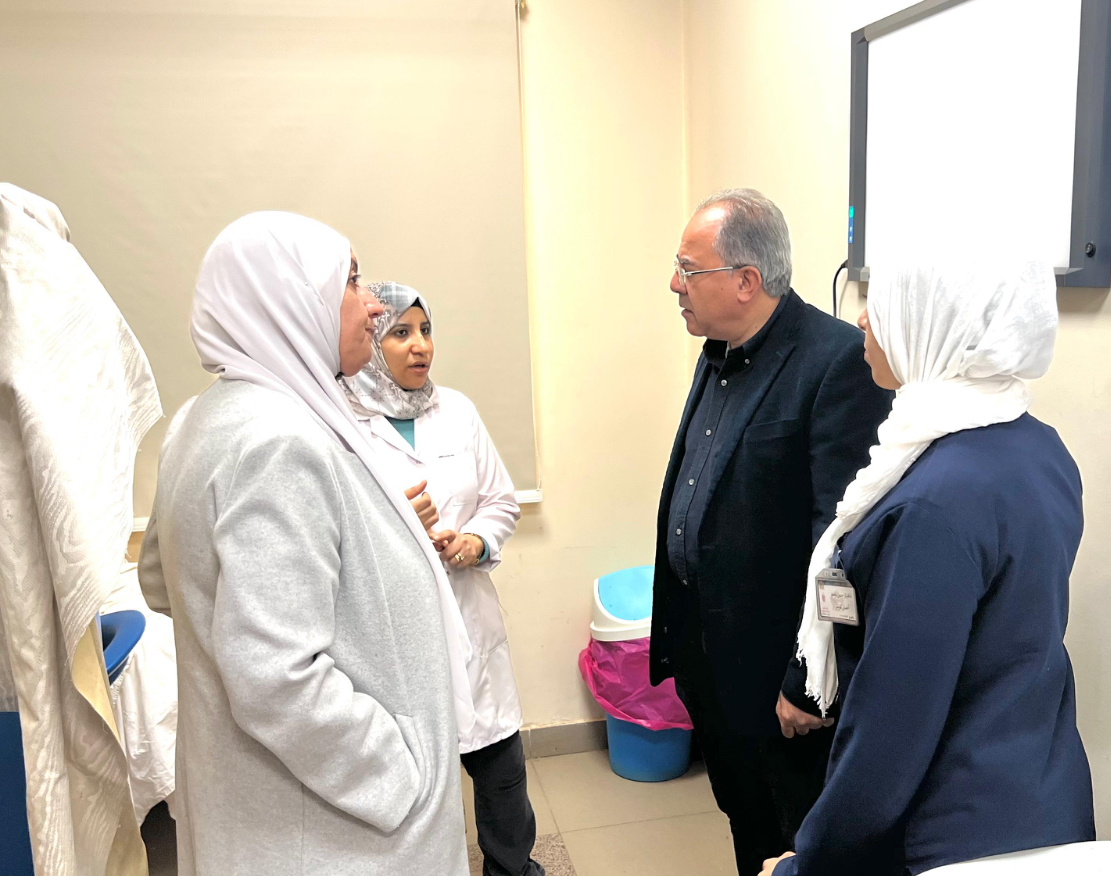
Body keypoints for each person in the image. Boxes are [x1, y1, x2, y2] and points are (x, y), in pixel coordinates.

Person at [138, 212, 473, 876]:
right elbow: (275, 676)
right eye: (350, 282)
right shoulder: (278, 441)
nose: (373, 304)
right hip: (331, 832)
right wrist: (393, 775)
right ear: (287, 300)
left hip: (271, 809)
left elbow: (160, 578)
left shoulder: (204, 419)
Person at [762, 262, 1095, 876]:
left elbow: (892, 729)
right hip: (1042, 794)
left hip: (948, 831)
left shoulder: (931, 504)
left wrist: (803, 867)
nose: (863, 318)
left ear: (945, 322)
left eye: (889, 301)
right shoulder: (1038, 447)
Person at [649, 188, 894, 875]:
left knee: (793, 838)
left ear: (745, 280)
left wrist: (809, 677)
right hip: (710, 660)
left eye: (687, 269)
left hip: (778, 676)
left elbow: (840, 539)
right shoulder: (718, 350)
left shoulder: (835, 362)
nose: (674, 284)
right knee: (744, 821)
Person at [342, 282, 543, 876]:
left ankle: (513, 869)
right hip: (395, 629)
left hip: (467, 612)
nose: (420, 346)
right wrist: (400, 521)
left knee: (502, 772)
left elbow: (500, 501)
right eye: (401, 333)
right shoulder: (341, 420)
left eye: (426, 330)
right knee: (414, 786)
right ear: (373, 342)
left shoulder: (456, 410)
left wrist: (474, 541)